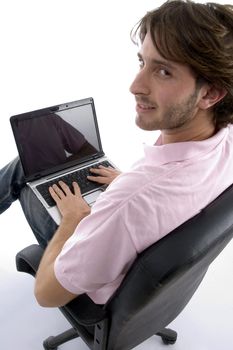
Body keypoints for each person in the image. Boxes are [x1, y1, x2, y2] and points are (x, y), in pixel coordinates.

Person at [1, 0, 233, 307]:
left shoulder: (127, 205)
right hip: (137, 271)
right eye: (142, 63)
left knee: (26, 168)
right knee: (53, 151)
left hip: (93, 286)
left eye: (164, 71)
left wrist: (74, 219)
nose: (135, 86)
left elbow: (47, 295)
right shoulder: (225, 142)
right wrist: (128, 182)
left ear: (210, 93)